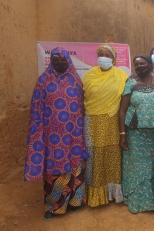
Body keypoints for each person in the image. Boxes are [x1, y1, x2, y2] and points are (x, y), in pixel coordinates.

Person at [24, 47, 88, 218]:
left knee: (76, 166)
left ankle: (76, 201)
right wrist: (37, 135)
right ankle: (55, 205)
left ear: (68, 60)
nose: (60, 61)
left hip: (74, 135)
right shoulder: (43, 81)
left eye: (63, 59)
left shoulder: (75, 80)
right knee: (55, 169)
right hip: (53, 137)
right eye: (56, 58)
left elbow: (82, 107)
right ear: (51, 60)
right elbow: (36, 110)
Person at [83, 45, 128, 207]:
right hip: (92, 122)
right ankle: (95, 196)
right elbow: (83, 100)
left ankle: (113, 195)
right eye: (100, 54)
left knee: (112, 155)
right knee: (94, 156)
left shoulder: (121, 76)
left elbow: (125, 102)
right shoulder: (89, 76)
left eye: (107, 54)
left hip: (112, 122)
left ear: (114, 59)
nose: (103, 57)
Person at [119, 56, 154, 213]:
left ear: (149, 65)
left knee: (153, 166)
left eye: (143, 63)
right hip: (135, 133)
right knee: (137, 167)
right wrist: (123, 134)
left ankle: (152, 202)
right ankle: (136, 202)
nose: (139, 66)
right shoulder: (130, 82)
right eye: (136, 64)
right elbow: (123, 110)